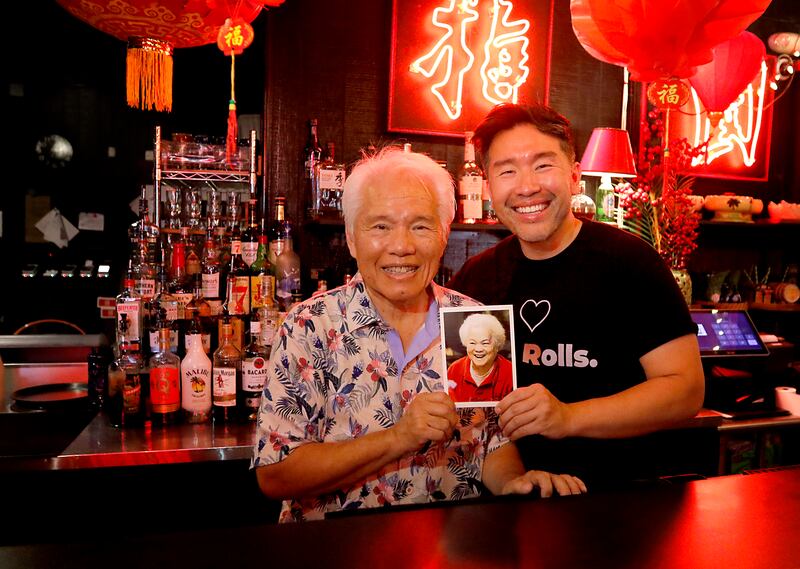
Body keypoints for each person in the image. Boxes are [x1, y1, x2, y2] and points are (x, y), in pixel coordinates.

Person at [252, 146, 586, 522]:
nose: (402, 246)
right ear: (351, 238)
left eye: (421, 226)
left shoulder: (472, 320)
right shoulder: (309, 325)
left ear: (444, 236)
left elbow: (492, 443)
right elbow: (275, 474)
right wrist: (399, 437)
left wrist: (513, 484)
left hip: (454, 549)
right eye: (380, 226)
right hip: (338, 552)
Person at [447, 103, 705, 489]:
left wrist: (567, 417)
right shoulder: (477, 278)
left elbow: (686, 390)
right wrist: (513, 480)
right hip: (516, 499)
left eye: (543, 165)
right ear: (488, 185)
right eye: (507, 171)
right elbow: (471, 407)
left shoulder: (631, 264)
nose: (526, 186)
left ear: (574, 176)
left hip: (623, 503)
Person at [447, 313, 513, 403]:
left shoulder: (511, 372)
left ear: (497, 346)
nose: (478, 349)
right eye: (472, 343)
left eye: (485, 343)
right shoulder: (454, 370)